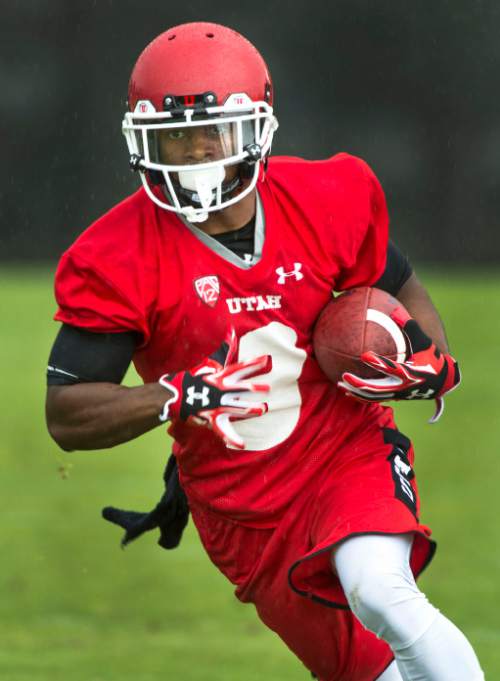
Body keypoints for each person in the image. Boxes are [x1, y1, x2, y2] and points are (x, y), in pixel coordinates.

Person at [45, 22, 484, 681]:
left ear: (258, 128)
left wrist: (428, 359)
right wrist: (171, 397)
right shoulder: (117, 255)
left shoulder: (325, 198)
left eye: (212, 137)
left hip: (345, 449)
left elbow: (400, 286)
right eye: (176, 141)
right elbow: (66, 413)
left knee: (379, 588)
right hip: (240, 503)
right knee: (366, 670)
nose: (196, 161)